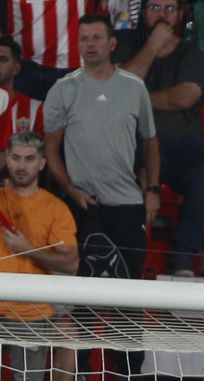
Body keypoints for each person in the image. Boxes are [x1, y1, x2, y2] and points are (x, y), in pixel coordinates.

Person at [42, 11, 158, 282]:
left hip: (127, 203)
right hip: (84, 205)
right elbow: (50, 150)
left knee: (130, 292)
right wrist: (71, 189)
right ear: (78, 44)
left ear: (112, 44)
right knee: (83, 292)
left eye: (96, 38)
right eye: (84, 39)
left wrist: (152, 190)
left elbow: (151, 141)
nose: (90, 44)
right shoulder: (62, 89)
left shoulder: (134, 87)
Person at [111, 0, 204, 276]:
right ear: (143, 12)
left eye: (169, 9)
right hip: (129, 145)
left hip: (178, 147)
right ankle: (117, 262)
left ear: (181, 14)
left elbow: (183, 97)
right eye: (156, 8)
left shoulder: (191, 53)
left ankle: (183, 257)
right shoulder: (125, 43)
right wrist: (151, 47)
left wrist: (135, 98)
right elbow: (115, 88)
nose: (163, 16)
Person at [0, 128, 77, 381]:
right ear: (6, 159)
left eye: (29, 159)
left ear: (42, 163)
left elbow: (71, 261)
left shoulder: (54, 208)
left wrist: (28, 249)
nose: (21, 165)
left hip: (29, 314)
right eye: (15, 157)